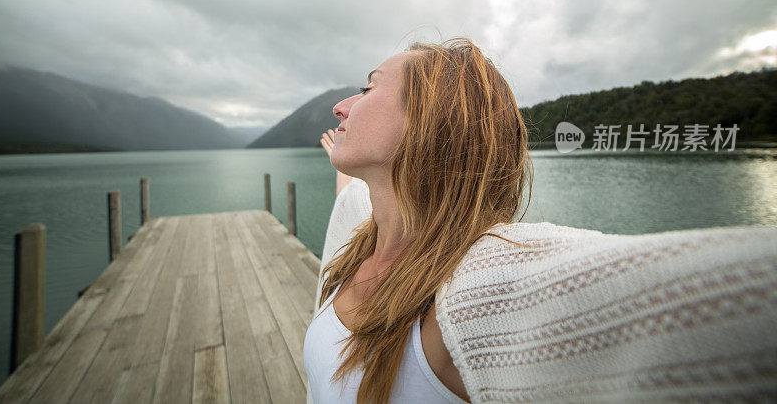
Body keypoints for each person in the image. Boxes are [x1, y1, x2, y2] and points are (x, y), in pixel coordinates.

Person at [304, 38, 777, 403]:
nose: (341, 106)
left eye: (368, 87)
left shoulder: (477, 283)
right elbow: (355, 205)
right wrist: (344, 178)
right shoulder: (362, 239)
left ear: (431, 121)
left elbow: (706, 292)